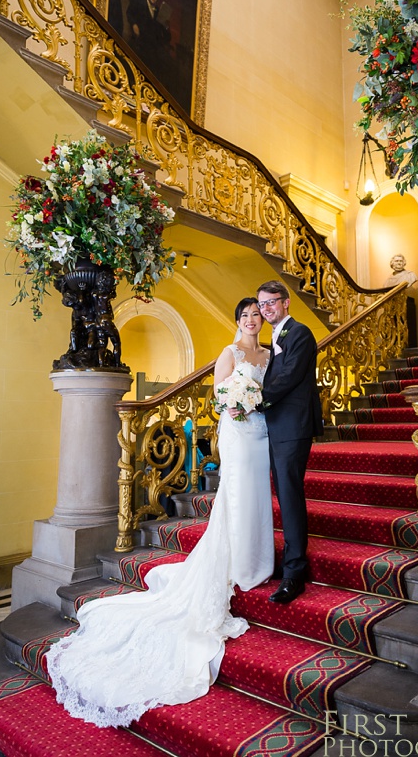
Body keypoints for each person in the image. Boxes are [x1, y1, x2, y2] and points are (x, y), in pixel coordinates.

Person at [46, 298, 273, 727]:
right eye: (244, 315)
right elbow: (220, 394)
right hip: (239, 431)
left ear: (263, 319)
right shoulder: (231, 352)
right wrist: (237, 403)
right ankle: (237, 558)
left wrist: (257, 403)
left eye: (256, 316)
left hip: (261, 430)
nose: (250, 321)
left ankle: (256, 555)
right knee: (237, 497)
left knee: (257, 497)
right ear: (238, 319)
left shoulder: (268, 353)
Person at [256, 280, 323, 604]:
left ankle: (295, 571)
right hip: (277, 425)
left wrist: (256, 399)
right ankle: (288, 560)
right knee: (283, 495)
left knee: (290, 496)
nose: (267, 308)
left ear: (286, 303)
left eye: (272, 302)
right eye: (262, 304)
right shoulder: (273, 336)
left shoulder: (299, 332)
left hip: (293, 425)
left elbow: (291, 375)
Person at [126, 0, 172, 85]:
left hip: (151, 46)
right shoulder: (139, 3)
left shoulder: (158, 12)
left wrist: (166, 25)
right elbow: (129, 13)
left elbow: (165, 35)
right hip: (139, 40)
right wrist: (134, 24)